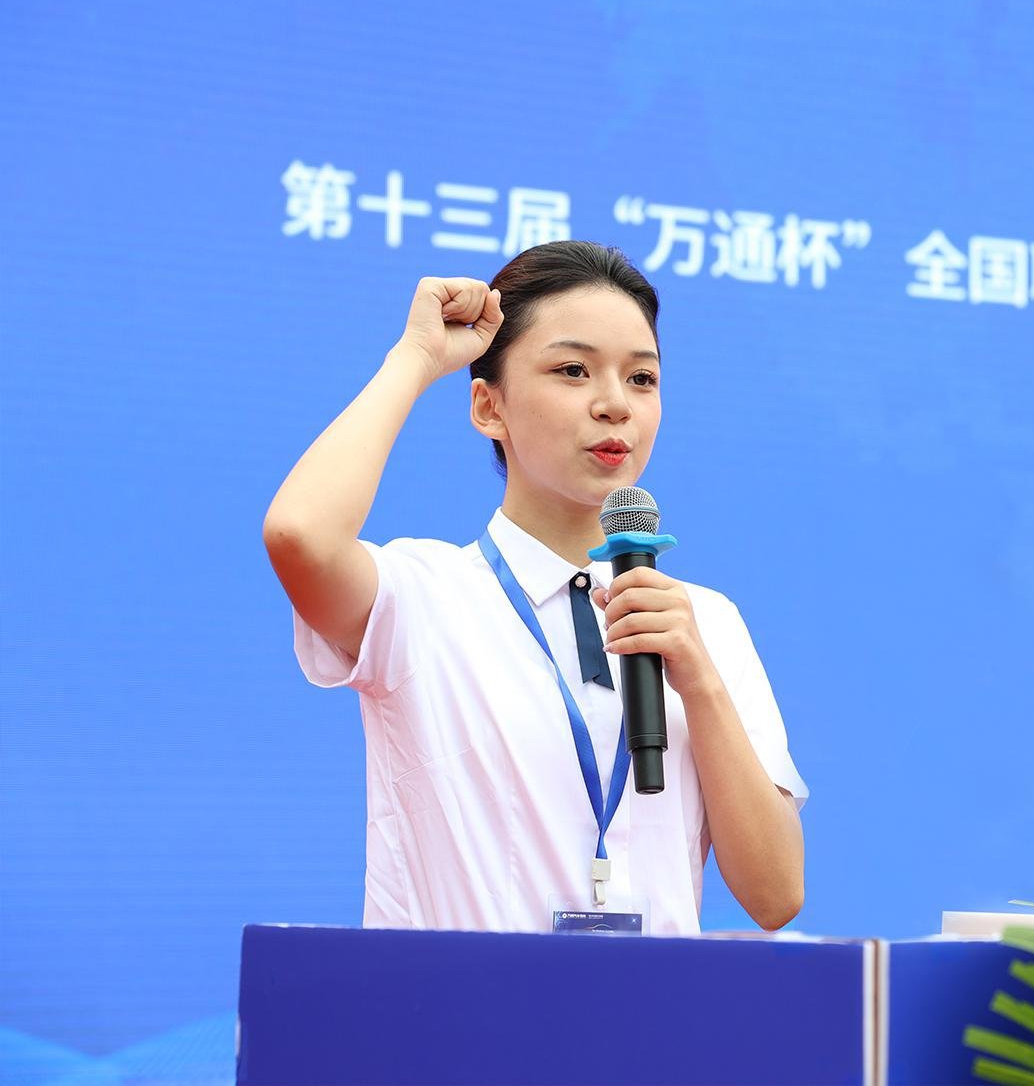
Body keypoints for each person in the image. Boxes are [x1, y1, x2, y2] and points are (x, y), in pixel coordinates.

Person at [262, 240, 807, 935]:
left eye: (642, 378)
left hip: (654, 1005)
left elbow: (775, 895)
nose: (615, 404)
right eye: (573, 370)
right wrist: (416, 358)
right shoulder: (422, 597)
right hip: (462, 1003)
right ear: (489, 407)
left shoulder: (703, 621)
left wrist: (699, 682)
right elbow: (300, 535)